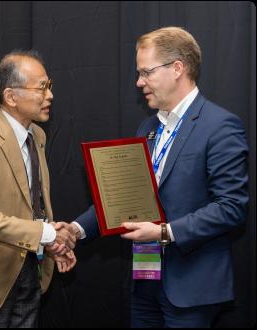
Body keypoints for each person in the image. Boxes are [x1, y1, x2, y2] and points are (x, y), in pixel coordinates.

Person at [56, 26, 249, 328]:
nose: (139, 82)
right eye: (139, 73)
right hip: (145, 283)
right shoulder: (147, 128)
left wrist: (164, 232)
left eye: (146, 72)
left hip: (191, 291)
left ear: (177, 69)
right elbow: (122, 201)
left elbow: (232, 207)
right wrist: (75, 230)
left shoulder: (220, 126)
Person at [0, 50, 77, 328]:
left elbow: (30, 201)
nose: (50, 96)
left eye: (50, 87)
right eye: (41, 88)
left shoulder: (38, 135)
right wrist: (47, 233)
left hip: (31, 271)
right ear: (11, 97)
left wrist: (51, 242)